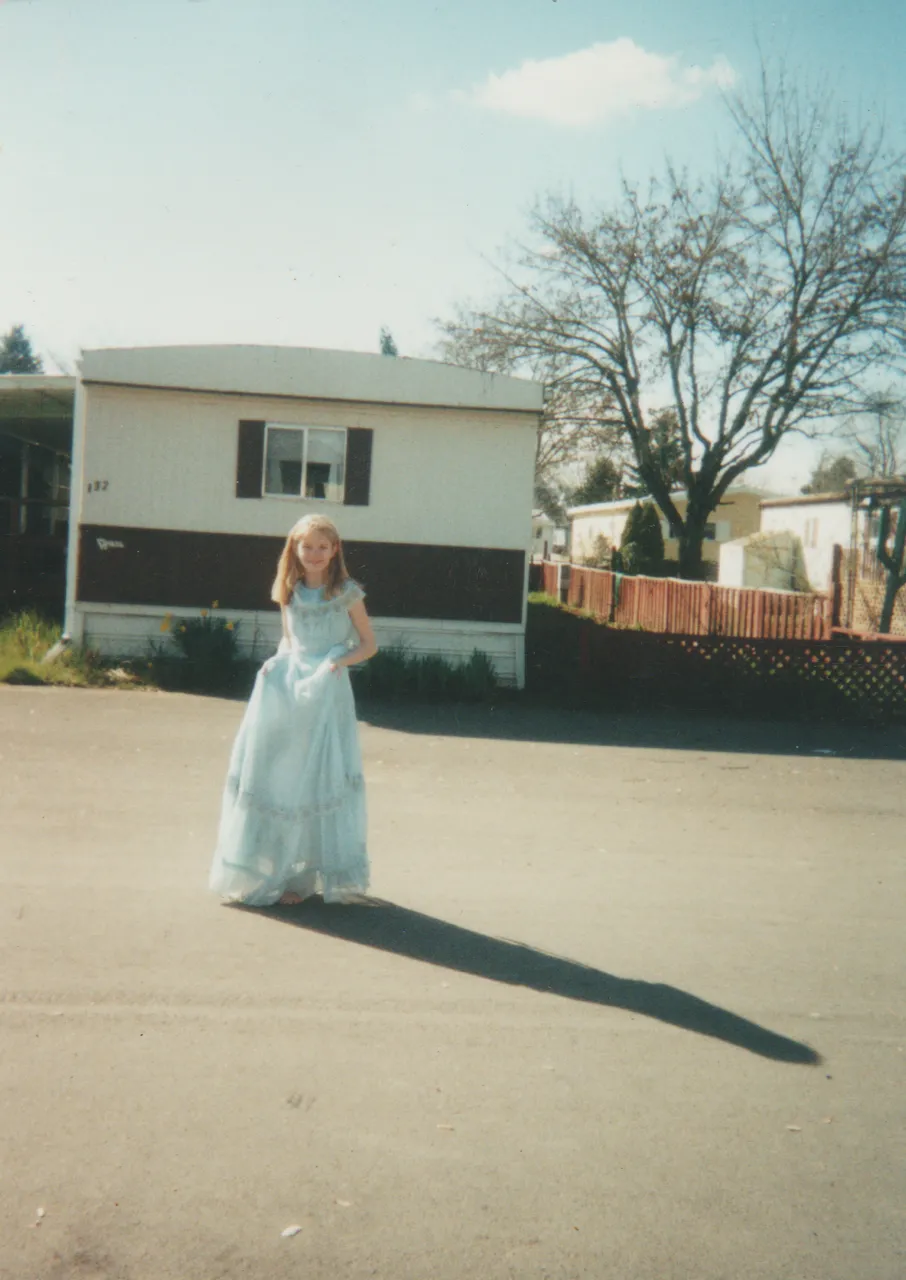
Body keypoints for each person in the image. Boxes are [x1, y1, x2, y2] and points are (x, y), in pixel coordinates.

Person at [209, 514, 378, 906]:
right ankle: (271, 868)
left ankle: (301, 880)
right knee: (280, 774)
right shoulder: (289, 589)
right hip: (289, 688)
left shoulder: (347, 592)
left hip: (327, 688)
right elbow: (290, 642)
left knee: (316, 776)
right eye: (307, 547)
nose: (315, 554)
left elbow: (369, 644)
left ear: (335, 550)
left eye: (323, 547)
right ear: (295, 549)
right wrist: (275, 662)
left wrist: (339, 662)